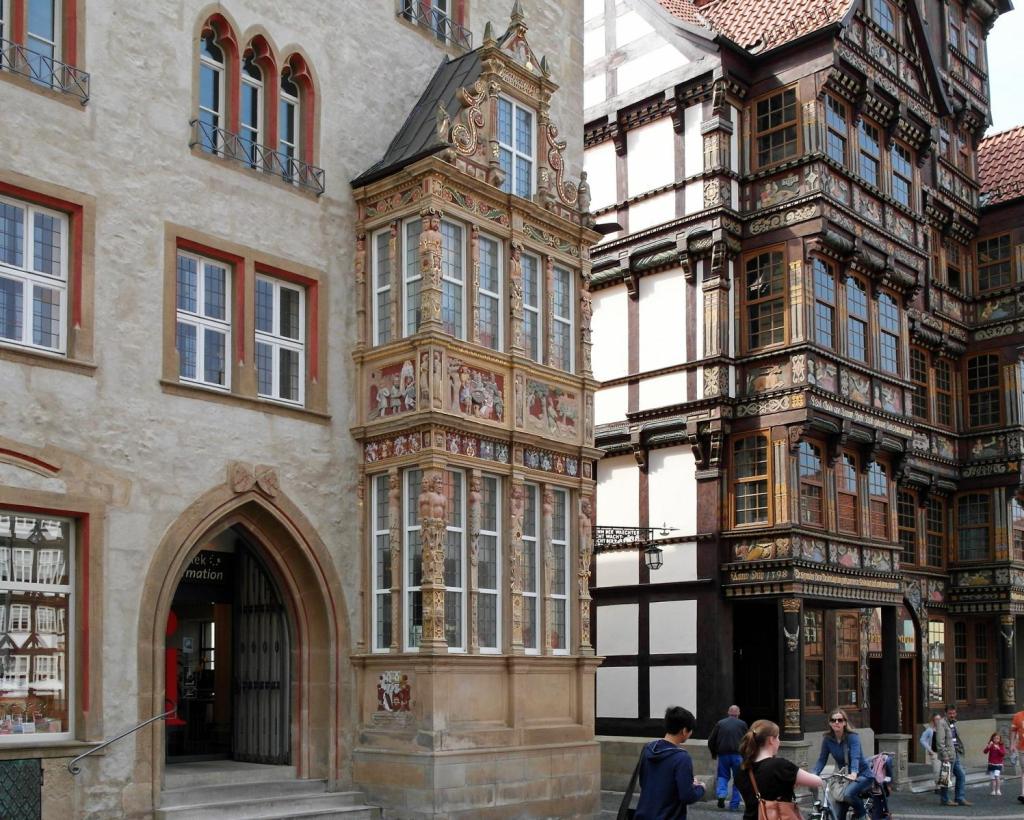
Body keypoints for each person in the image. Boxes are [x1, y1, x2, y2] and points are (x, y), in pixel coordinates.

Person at [735, 719, 822, 820]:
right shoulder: (779, 765)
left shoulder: (742, 769)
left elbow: (750, 798)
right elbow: (817, 781)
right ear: (771, 740)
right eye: (778, 738)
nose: (779, 741)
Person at [634, 706, 706, 819]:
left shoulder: (648, 748)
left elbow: (644, 782)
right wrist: (701, 788)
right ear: (684, 731)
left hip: (644, 813)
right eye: (690, 730)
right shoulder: (682, 758)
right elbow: (687, 796)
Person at [810, 708, 873, 819]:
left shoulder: (853, 737)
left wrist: (854, 773)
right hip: (844, 778)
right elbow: (822, 759)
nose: (836, 722)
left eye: (840, 720)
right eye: (833, 720)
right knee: (838, 814)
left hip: (862, 775)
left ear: (845, 722)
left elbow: (855, 757)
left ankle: (861, 814)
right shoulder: (828, 739)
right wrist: (814, 774)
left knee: (848, 794)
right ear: (830, 723)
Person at [708, 705, 748, 811]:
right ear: (738, 713)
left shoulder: (720, 723)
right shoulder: (743, 724)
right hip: (738, 756)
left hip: (723, 755)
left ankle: (721, 795)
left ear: (728, 713)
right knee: (738, 779)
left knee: (723, 776)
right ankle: (734, 805)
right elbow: (748, 741)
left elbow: (711, 740)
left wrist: (713, 753)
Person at [935, 704, 970, 806]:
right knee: (946, 777)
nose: (952, 715)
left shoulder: (953, 723)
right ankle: (944, 799)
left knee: (961, 775)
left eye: (954, 713)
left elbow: (955, 738)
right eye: (950, 713)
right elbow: (940, 741)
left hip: (955, 754)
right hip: (948, 755)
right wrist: (944, 755)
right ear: (945, 713)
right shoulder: (941, 723)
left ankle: (959, 798)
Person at [920, 713, 942, 789]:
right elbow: (922, 740)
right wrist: (929, 749)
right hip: (935, 753)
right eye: (937, 719)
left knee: (945, 770)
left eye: (940, 719)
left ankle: (944, 787)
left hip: (943, 753)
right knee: (937, 770)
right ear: (933, 720)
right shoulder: (929, 730)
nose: (939, 721)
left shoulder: (942, 729)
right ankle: (938, 787)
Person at [984, 731, 1006, 796]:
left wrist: (998, 748)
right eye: (995, 738)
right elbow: (985, 752)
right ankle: (993, 790)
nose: (996, 740)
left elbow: (1003, 754)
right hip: (991, 764)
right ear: (992, 739)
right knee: (992, 778)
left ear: (1000, 739)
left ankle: (998, 790)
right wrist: (988, 746)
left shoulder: (1001, 745)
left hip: (998, 764)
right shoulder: (991, 745)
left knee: (997, 776)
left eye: (997, 738)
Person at [1011, 707, 1024, 803]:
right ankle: (1023, 793)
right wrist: (1012, 744)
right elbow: (1013, 731)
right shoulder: (1017, 716)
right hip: (1022, 748)